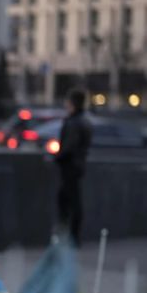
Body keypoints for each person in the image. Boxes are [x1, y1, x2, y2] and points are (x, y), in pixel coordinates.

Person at [55, 89, 92, 247]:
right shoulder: (84, 121)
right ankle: (70, 236)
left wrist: (59, 157)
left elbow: (69, 146)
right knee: (71, 199)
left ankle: (69, 236)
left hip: (70, 166)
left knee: (67, 200)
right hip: (77, 166)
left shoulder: (74, 122)